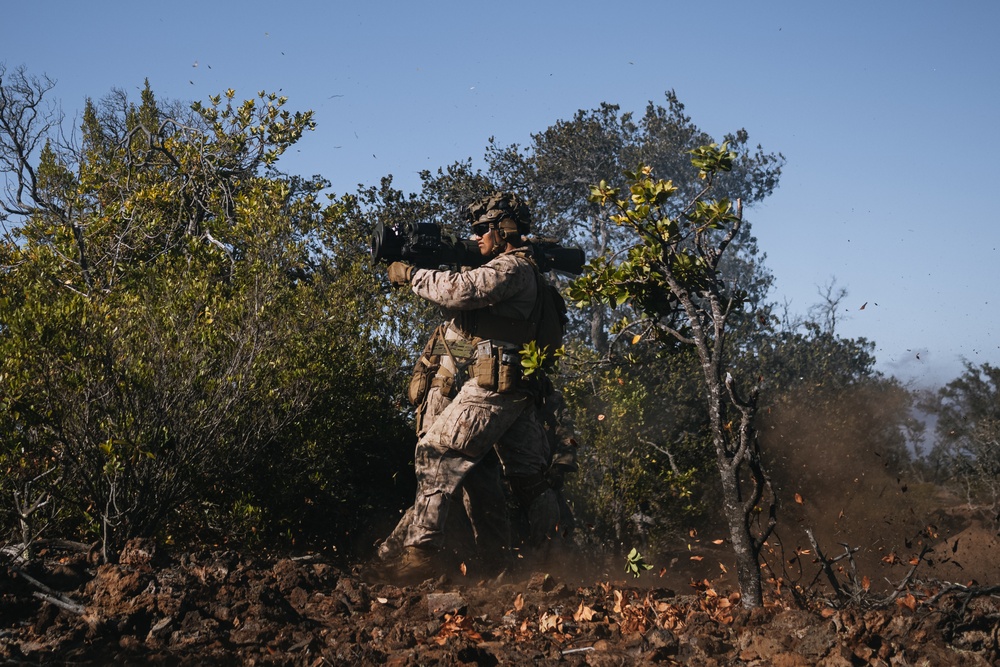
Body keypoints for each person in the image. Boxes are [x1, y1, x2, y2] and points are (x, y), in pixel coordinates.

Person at [380, 192, 554, 583]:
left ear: (503, 230)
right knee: (495, 477)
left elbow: (463, 290)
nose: (476, 238)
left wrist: (412, 275)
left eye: (481, 230)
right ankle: (511, 564)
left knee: (436, 451)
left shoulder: (511, 268)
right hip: (516, 388)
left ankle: (420, 552)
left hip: (496, 384)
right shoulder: (524, 270)